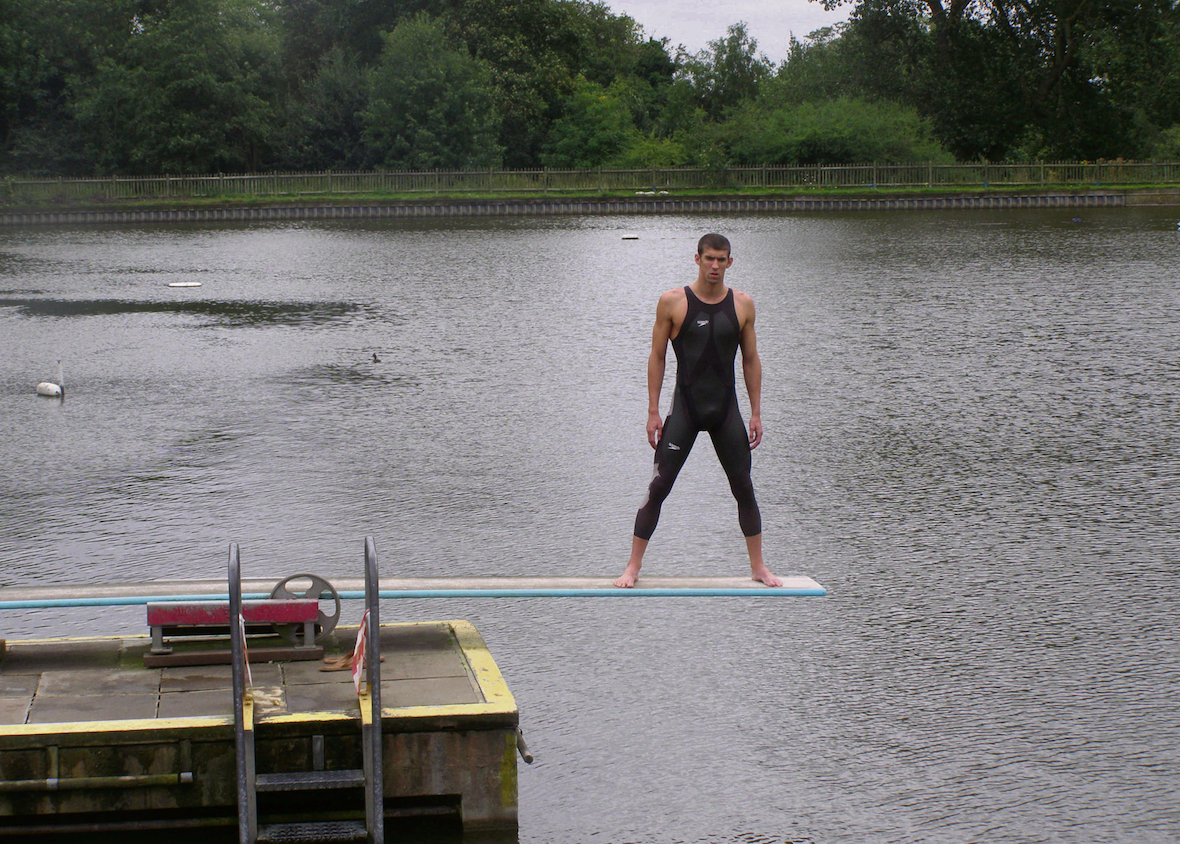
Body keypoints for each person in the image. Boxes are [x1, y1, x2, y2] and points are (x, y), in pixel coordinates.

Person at [615, 233, 782, 588]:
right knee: (659, 486)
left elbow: (751, 360)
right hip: (686, 410)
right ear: (697, 259)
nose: (715, 266)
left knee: (744, 487)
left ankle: (759, 567)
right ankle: (632, 567)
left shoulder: (743, 304)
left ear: (730, 262)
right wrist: (652, 411)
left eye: (722, 260)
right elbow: (657, 357)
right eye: (709, 259)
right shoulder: (672, 302)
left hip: (725, 411)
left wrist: (756, 412)